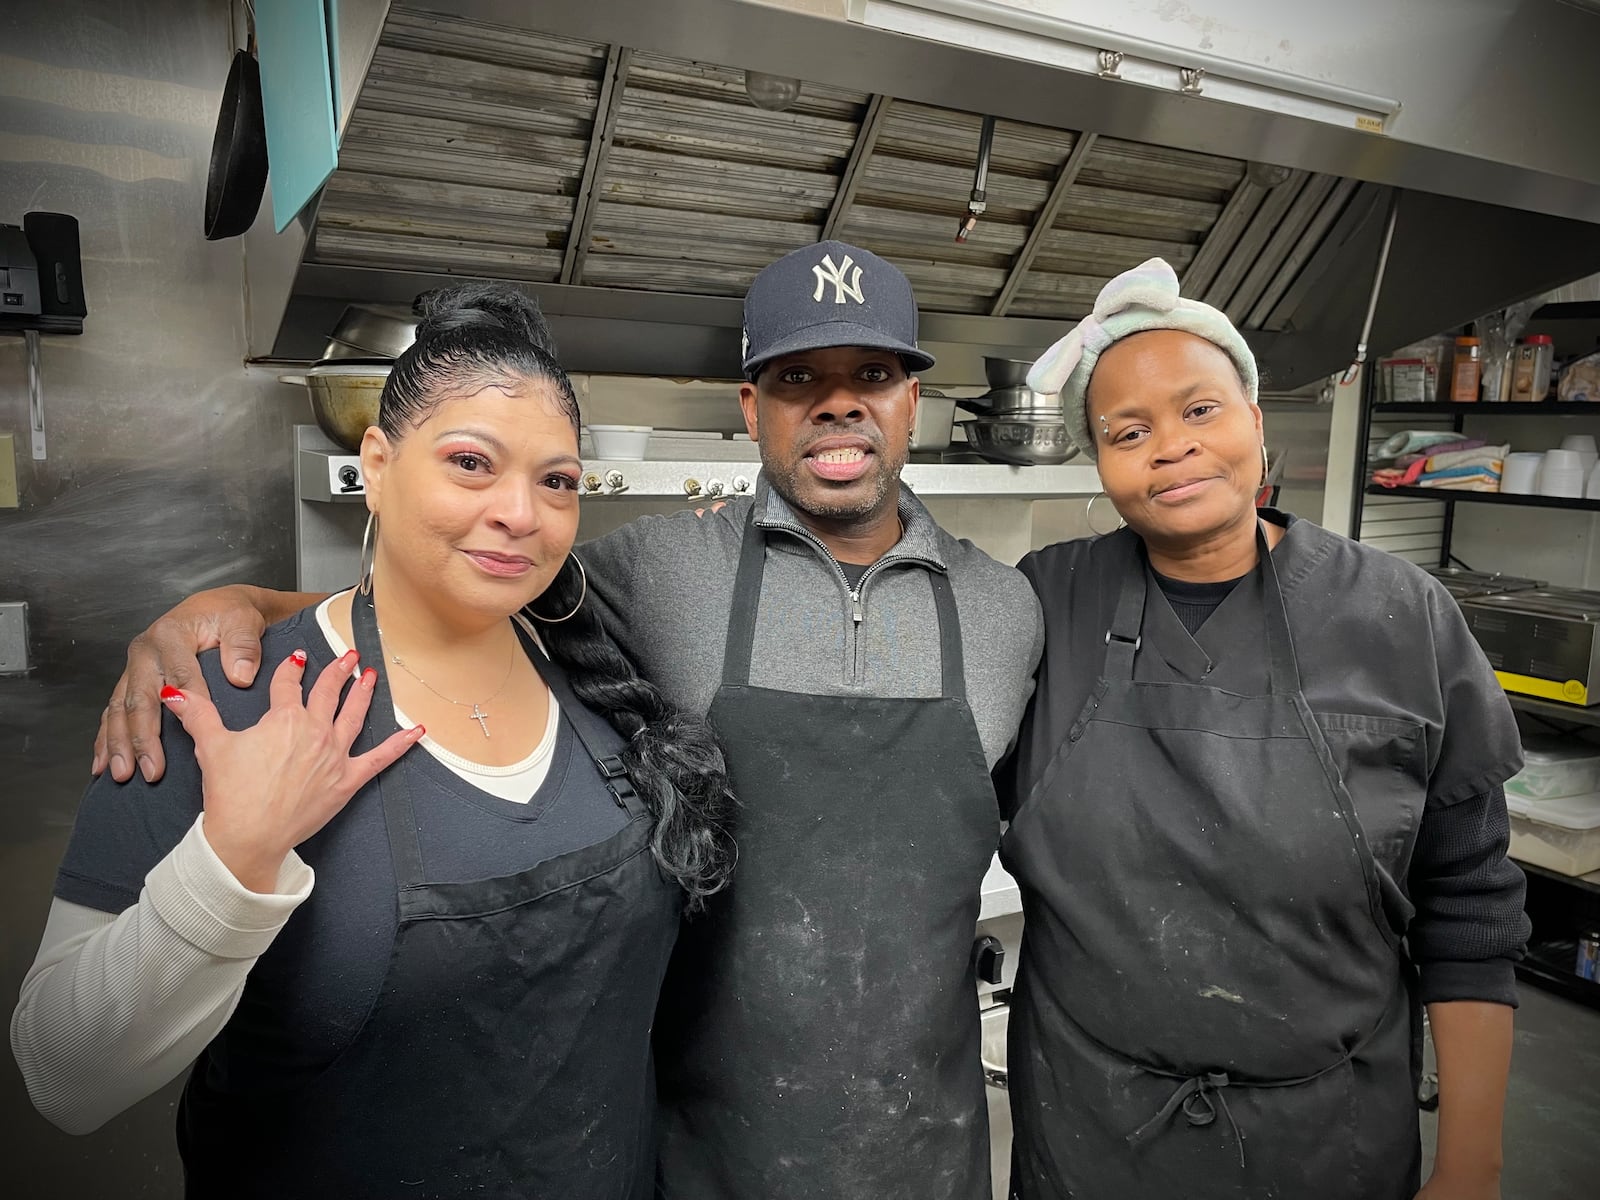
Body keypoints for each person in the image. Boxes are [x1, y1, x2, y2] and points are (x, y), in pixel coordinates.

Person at [84, 241, 1045, 1200]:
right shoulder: (655, 574)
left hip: (928, 1142)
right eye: (799, 377)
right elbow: (456, 591)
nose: (839, 402)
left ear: (915, 400)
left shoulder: (1010, 611)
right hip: (703, 1148)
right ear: (750, 408)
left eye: (873, 374)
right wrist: (243, 605)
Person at [12, 284, 736, 1199]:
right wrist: (233, 854)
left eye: (556, 480)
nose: (522, 511)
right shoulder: (230, 702)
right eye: (472, 463)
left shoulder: (601, 676)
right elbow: (61, 1075)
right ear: (379, 466)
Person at [997, 258, 1530, 1200]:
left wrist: (1473, 1167)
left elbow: (1471, 902)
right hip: (1091, 1136)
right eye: (1129, 430)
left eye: (1200, 410)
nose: (1170, 447)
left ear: (1254, 418)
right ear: (1100, 461)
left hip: (1328, 1141)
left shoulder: (1401, 614)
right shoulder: (1049, 601)